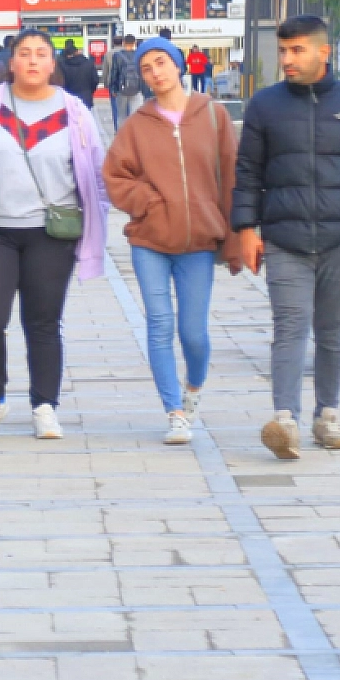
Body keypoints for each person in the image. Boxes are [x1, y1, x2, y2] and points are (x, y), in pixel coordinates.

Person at [232, 15, 340, 459]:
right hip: (285, 239)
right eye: (283, 50)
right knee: (290, 327)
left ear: (324, 51)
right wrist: (246, 229)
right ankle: (285, 421)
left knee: (333, 331)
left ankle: (327, 416)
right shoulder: (264, 106)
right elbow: (248, 173)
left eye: (297, 50)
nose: (288, 59)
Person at [0, 29, 110, 441]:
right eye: (24, 53)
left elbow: (96, 172)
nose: (32, 61)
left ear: (52, 63)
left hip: (51, 232)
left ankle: (45, 405)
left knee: (43, 321)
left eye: (41, 54)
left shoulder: (74, 112)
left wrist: (96, 220)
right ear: (11, 62)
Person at [103, 40, 240, 445]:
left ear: (179, 65)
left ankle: (193, 388)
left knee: (193, 332)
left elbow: (232, 176)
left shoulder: (213, 115)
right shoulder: (137, 125)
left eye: (161, 63)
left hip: (199, 242)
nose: (155, 73)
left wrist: (235, 235)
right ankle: (174, 412)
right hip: (150, 240)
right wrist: (148, 202)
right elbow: (115, 176)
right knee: (160, 324)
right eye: (146, 68)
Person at [102, 35, 143, 129]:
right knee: (135, 115)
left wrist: (113, 89)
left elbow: (114, 73)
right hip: (136, 89)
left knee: (121, 115)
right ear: (134, 43)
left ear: (124, 43)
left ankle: (122, 135)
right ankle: (134, 134)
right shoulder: (139, 55)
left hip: (122, 89)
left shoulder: (117, 56)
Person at [58, 40, 100, 108]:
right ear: (77, 52)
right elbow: (95, 80)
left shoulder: (63, 65)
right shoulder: (88, 63)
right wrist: (90, 91)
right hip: (86, 97)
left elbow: (60, 82)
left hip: (69, 97)